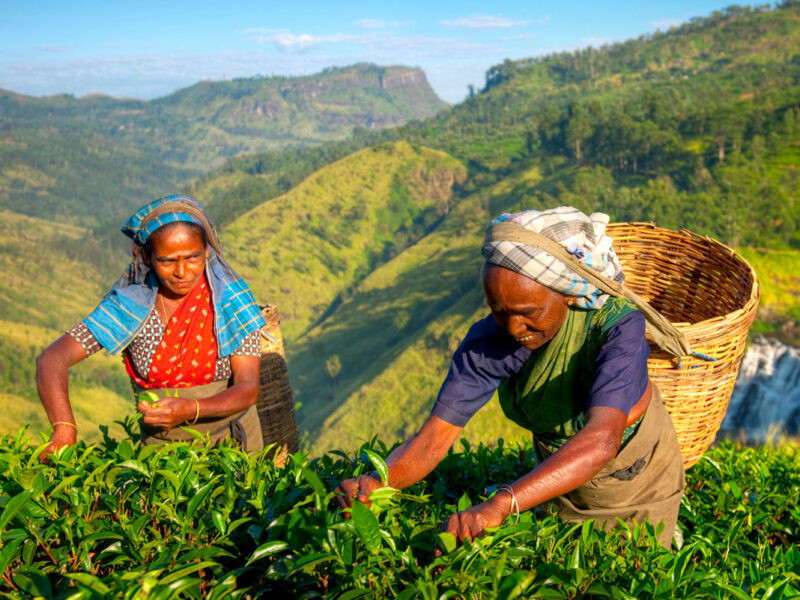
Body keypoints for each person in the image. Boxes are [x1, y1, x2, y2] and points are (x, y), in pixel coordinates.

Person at [337, 207, 686, 548]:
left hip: (637, 473)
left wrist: (501, 504)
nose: (514, 328)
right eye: (498, 311)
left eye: (528, 313)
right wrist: (378, 481)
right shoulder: (490, 341)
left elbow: (601, 440)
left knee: (640, 561)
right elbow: (432, 440)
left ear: (566, 291)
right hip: (560, 473)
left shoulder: (617, 327)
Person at [36, 195, 267, 458]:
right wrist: (64, 429)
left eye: (192, 258)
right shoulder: (131, 306)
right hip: (161, 454)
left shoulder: (231, 301)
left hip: (233, 445)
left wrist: (191, 409)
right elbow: (52, 359)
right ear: (145, 256)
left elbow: (248, 389)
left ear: (206, 251)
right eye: (167, 261)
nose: (182, 272)